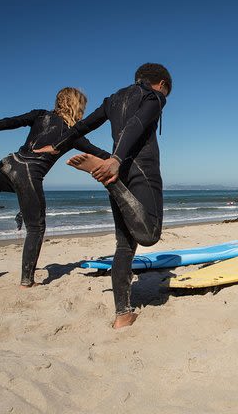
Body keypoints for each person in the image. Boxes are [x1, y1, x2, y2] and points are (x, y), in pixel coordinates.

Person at [34, 63, 171, 329]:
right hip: (136, 169)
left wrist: (58, 146)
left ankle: (123, 315)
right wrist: (117, 161)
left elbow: (82, 126)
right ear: (162, 84)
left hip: (114, 167)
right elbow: (137, 123)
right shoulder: (155, 96)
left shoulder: (113, 99)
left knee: (124, 246)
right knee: (150, 234)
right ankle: (111, 183)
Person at [0, 88, 109, 287]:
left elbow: (12, 121)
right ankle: (27, 281)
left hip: (8, 166)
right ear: (77, 106)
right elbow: (101, 154)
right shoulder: (73, 133)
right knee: (36, 227)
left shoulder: (40, 115)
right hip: (28, 176)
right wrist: (121, 160)